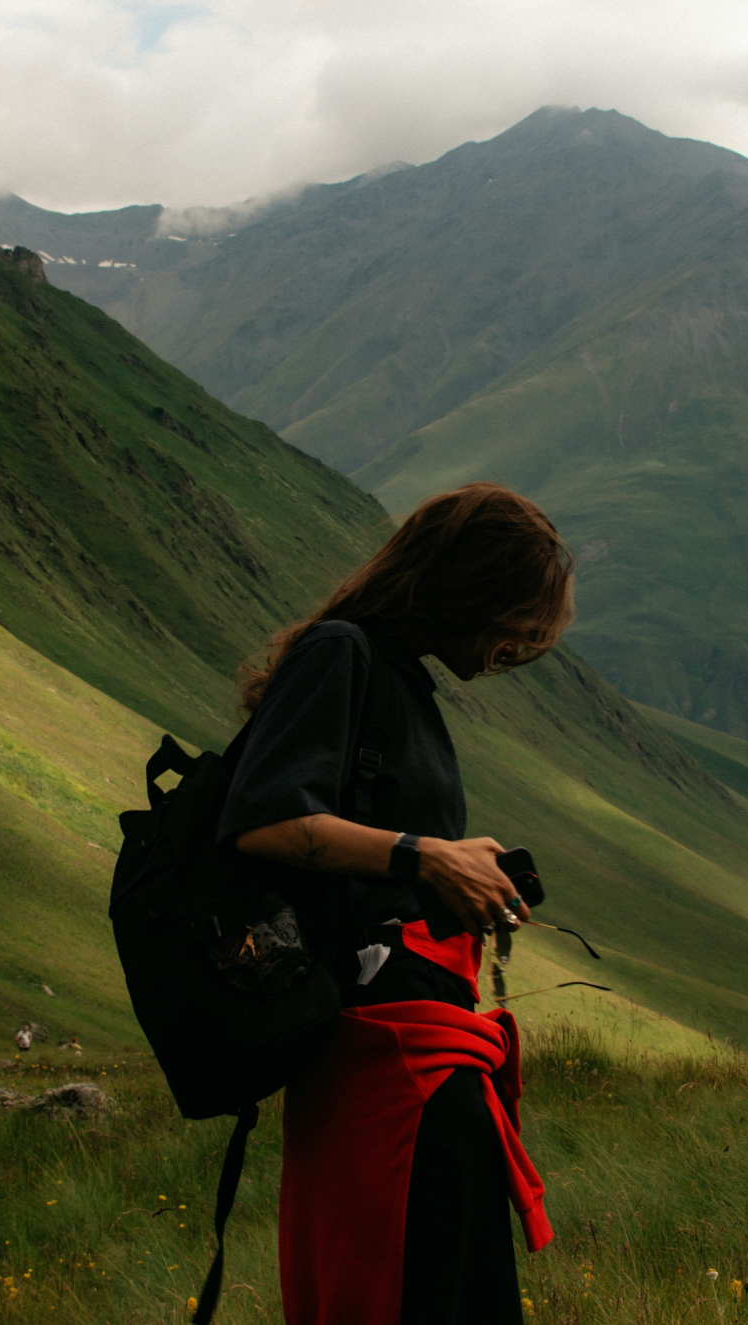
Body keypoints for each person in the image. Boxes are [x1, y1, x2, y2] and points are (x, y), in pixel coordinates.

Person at [216, 482, 575, 1325]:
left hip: (428, 1052)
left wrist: (459, 864)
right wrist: (423, 854)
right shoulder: (342, 654)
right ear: (470, 586)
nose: (521, 643)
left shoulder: (397, 679)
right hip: (386, 1069)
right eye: (518, 616)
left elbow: (364, 851)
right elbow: (262, 819)